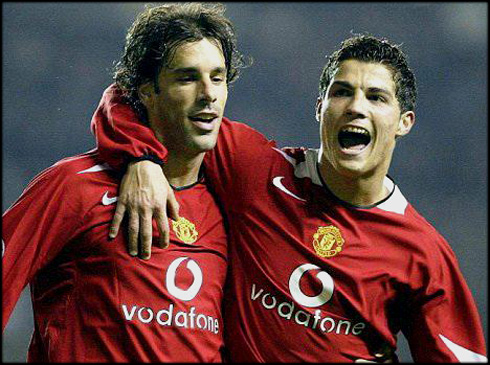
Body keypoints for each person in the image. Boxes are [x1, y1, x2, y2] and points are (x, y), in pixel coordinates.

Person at [92, 34, 487, 362]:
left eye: (377, 98)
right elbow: (135, 97)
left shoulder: (421, 251)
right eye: (342, 92)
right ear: (320, 109)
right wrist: (140, 157)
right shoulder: (256, 170)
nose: (355, 107)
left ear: (404, 122)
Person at [2, 3, 243, 362]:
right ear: (147, 90)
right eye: (187, 78)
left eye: (218, 77)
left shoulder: (232, 200)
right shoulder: (74, 186)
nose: (208, 93)